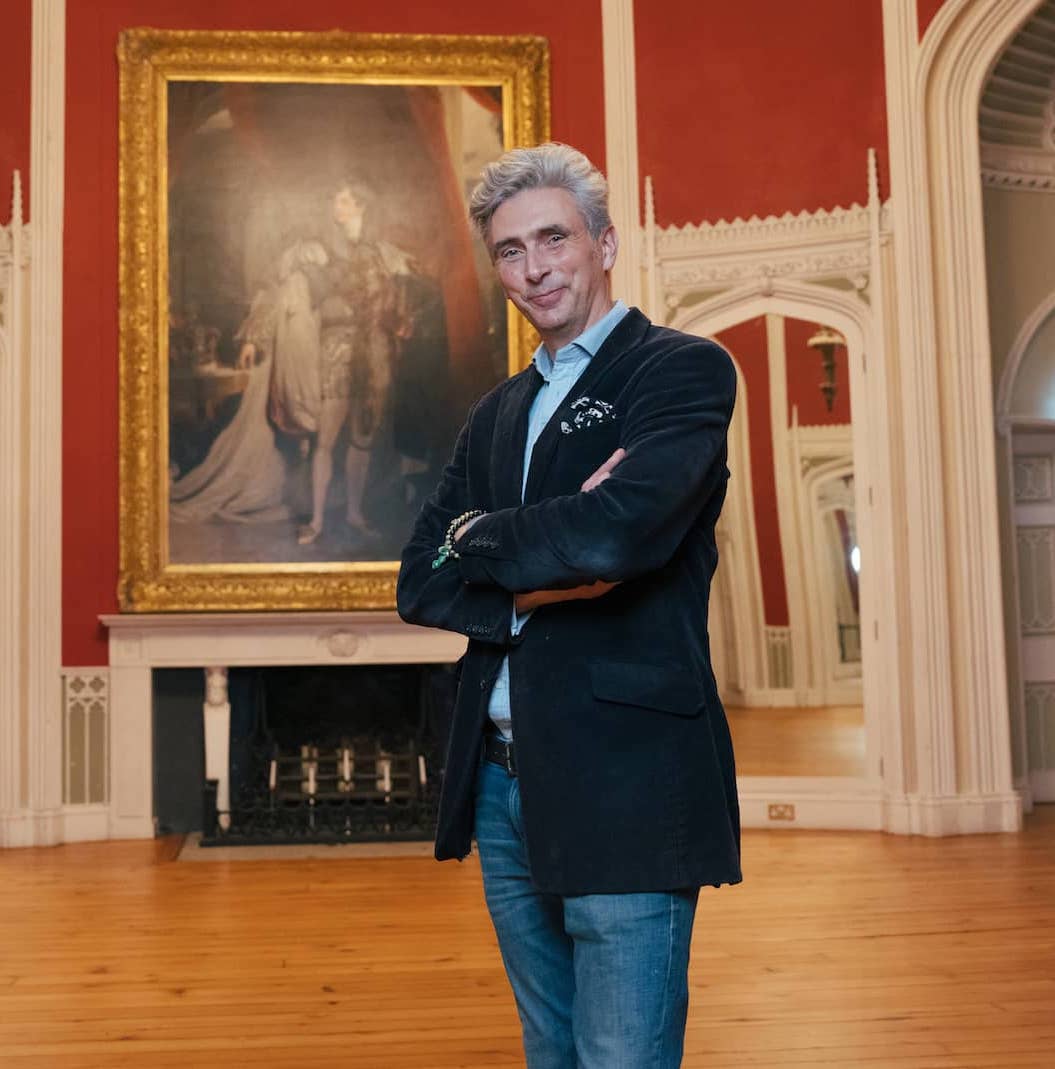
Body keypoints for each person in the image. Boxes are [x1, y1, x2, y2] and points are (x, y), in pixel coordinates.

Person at [396, 143, 741, 1068]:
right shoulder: (494, 413)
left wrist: (481, 536)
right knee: (550, 1048)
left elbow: (617, 539)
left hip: (626, 771)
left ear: (604, 244)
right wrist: (547, 566)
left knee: (621, 1052)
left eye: (553, 238)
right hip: (501, 782)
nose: (534, 268)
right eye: (510, 251)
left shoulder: (679, 371)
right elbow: (418, 579)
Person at [238, 180, 416, 545]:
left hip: (375, 352)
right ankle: (317, 520)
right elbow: (277, 289)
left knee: (363, 438)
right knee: (326, 438)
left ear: (361, 206)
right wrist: (255, 338)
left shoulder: (383, 253)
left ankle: (354, 514)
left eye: (345, 201)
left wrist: (402, 321)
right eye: (335, 200)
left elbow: (405, 298)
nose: (337, 206)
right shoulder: (316, 250)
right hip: (336, 348)